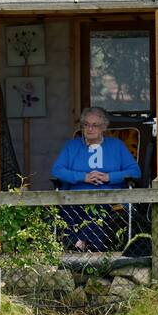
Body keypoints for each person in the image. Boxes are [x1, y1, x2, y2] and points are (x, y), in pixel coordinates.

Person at [51, 106, 141, 251]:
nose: (89, 129)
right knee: (76, 209)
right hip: (75, 196)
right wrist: (83, 177)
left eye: (95, 125)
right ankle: (91, 247)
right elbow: (57, 170)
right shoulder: (72, 146)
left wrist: (108, 177)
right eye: (86, 125)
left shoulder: (116, 146)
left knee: (96, 207)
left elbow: (135, 172)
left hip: (108, 196)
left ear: (104, 127)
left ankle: (79, 244)